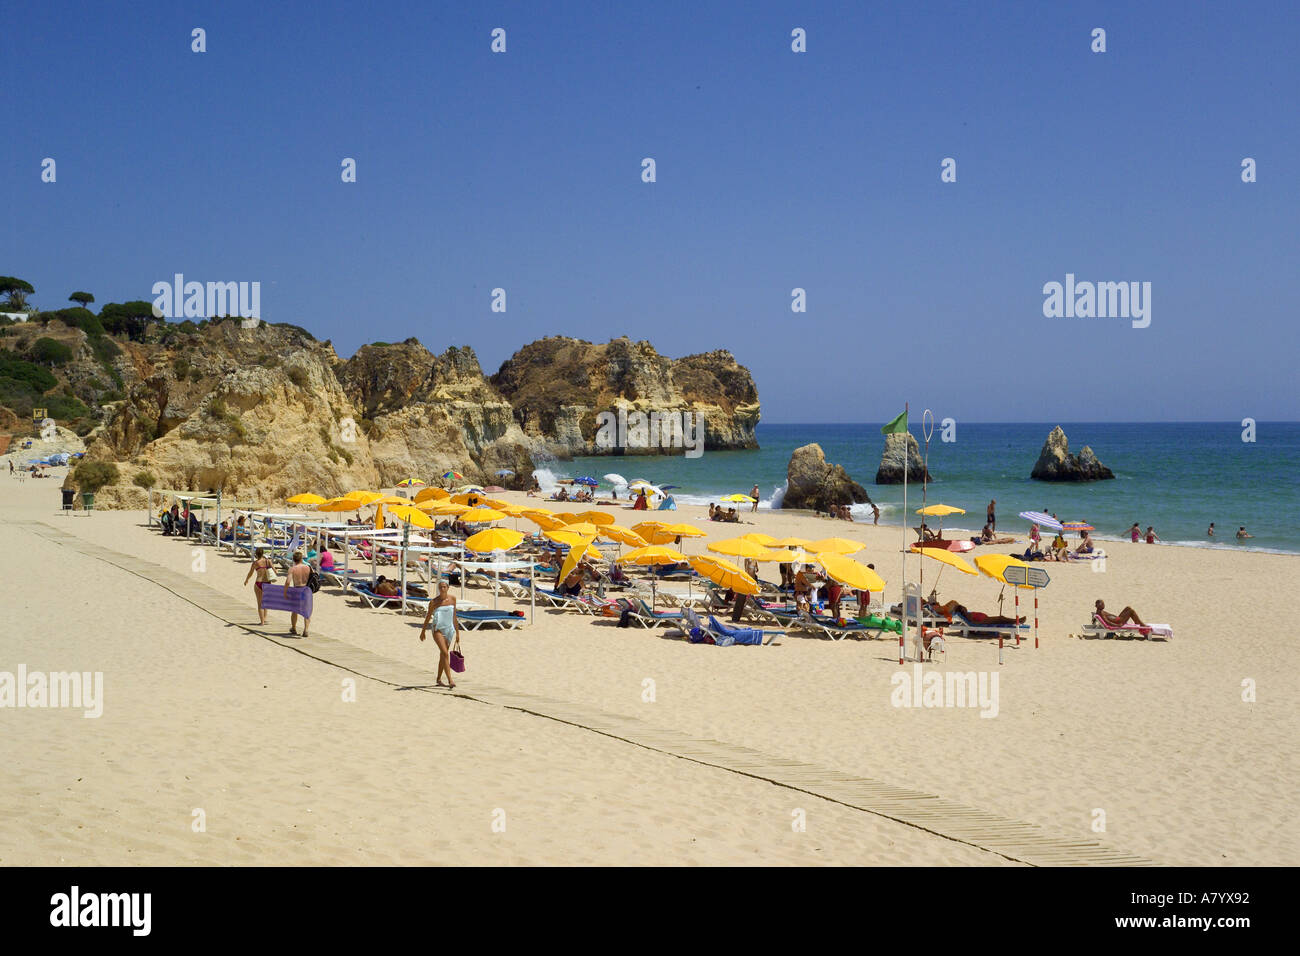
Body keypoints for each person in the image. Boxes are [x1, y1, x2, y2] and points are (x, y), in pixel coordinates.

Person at [420, 580, 460, 689]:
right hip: (437, 628)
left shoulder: (453, 599)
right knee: (445, 653)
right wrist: (423, 631)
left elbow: (454, 617)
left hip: (449, 629)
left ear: (448, 587)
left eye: (444, 587)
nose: (442, 589)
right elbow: (428, 616)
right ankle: (450, 680)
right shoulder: (434, 602)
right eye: (440, 587)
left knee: (443, 655)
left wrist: (457, 633)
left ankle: (438, 679)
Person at [243, 546, 273, 626]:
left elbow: (250, 573)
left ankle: (262, 622)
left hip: (259, 583)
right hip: (267, 583)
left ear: (256, 554)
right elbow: (275, 571)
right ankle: (265, 619)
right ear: (263, 553)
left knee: (260, 604)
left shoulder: (255, 563)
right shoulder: (268, 561)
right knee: (265, 602)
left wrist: (246, 580)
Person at [286, 550, 312, 636]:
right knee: (307, 611)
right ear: (301, 559)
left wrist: (285, 592)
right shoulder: (308, 567)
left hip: (296, 590)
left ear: (293, 560)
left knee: (294, 611)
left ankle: (293, 628)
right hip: (306, 590)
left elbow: (288, 582)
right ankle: (306, 630)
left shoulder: (292, 569)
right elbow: (314, 577)